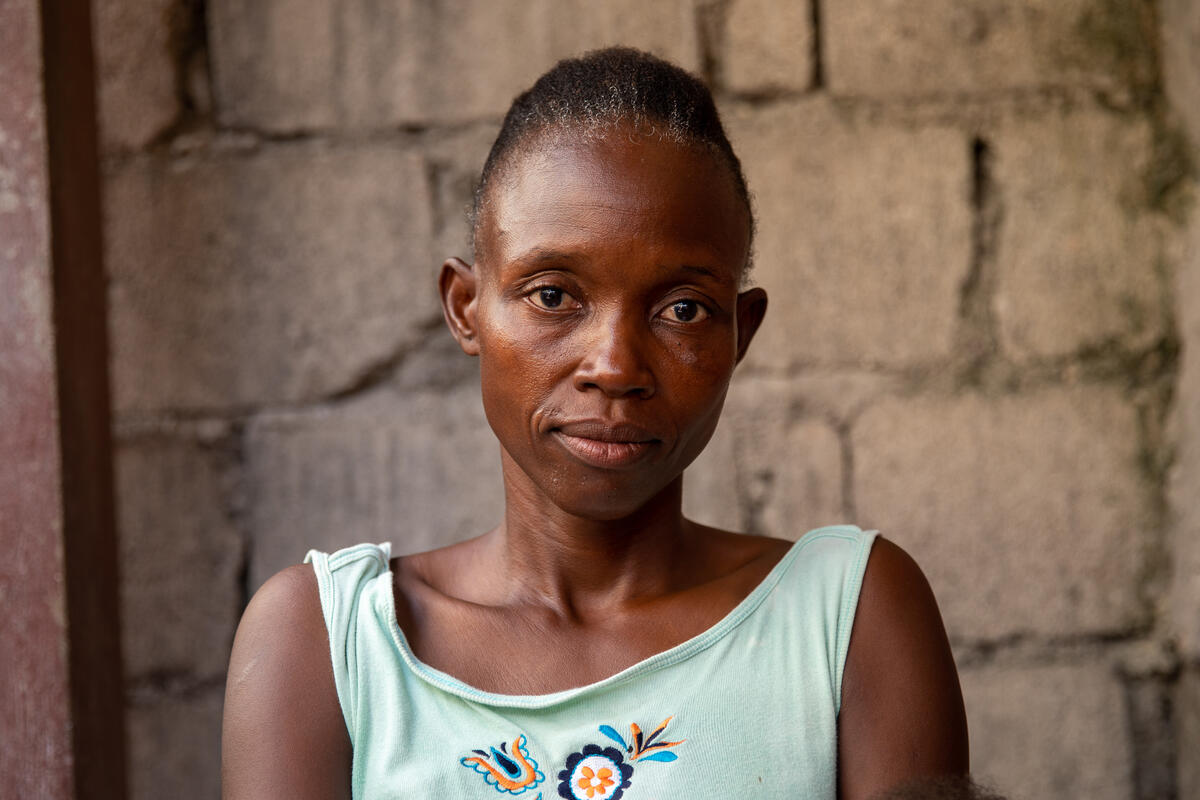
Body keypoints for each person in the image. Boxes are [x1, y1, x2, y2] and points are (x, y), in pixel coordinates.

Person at [222, 47, 972, 799]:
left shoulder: (847, 620)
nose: (614, 366)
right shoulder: (328, 643)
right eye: (554, 296)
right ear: (466, 308)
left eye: (683, 309)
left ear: (740, 333)